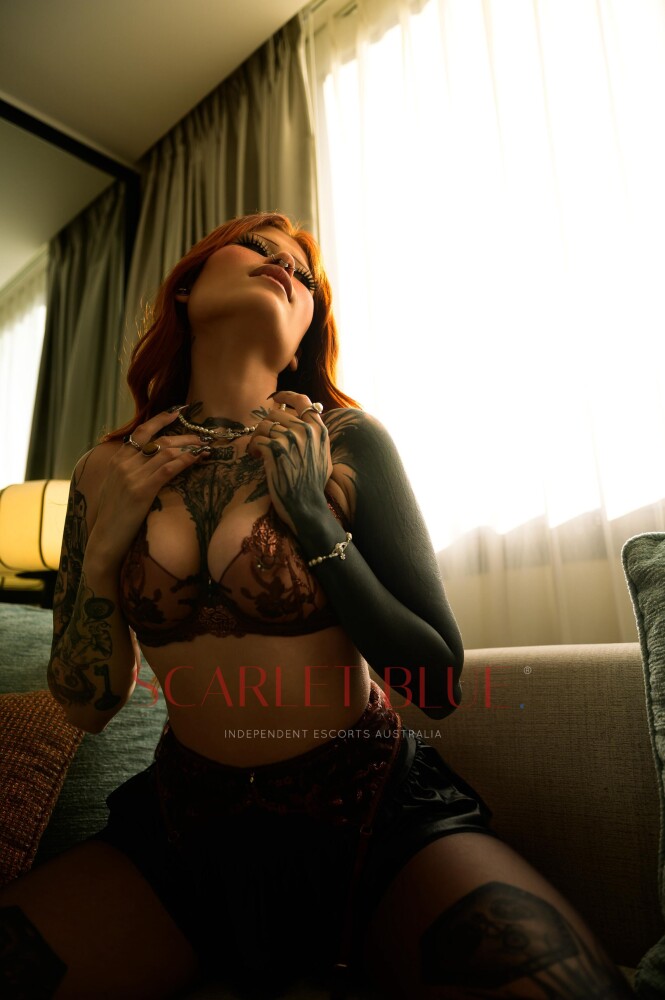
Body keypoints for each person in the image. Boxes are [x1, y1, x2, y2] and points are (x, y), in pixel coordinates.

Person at [0, 212, 632, 1000]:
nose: (284, 268)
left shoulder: (346, 441)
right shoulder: (104, 469)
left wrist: (310, 514)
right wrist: (100, 553)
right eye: (259, 250)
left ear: (303, 334)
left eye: (302, 275)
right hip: (182, 830)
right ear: (187, 289)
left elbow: (435, 682)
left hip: (370, 815)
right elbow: (88, 707)